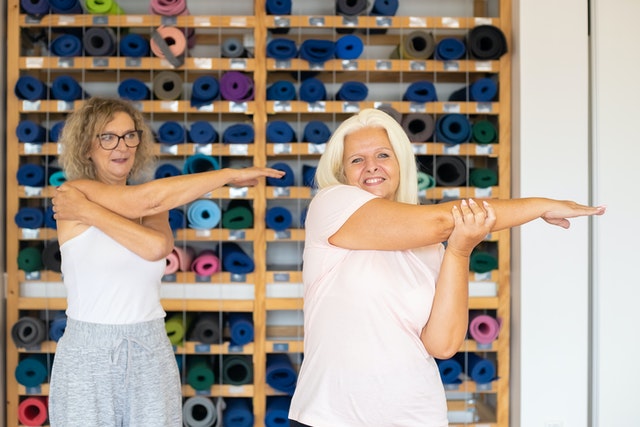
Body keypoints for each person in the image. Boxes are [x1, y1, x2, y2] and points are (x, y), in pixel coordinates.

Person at [288, 108, 605, 427]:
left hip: (416, 416)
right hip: (329, 417)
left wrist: (459, 249)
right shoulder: (330, 206)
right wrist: (538, 206)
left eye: (383, 154)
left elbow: (443, 344)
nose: (372, 166)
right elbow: (442, 220)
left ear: (400, 163)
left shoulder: (429, 247)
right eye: (357, 159)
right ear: (342, 173)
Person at [48, 96, 284, 427]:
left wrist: (90, 214)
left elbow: (157, 247)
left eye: (131, 135)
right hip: (89, 351)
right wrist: (228, 175)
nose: (123, 146)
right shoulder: (75, 192)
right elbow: (147, 203)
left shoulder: (109, 205)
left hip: (149, 346)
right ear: (87, 147)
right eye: (108, 136)